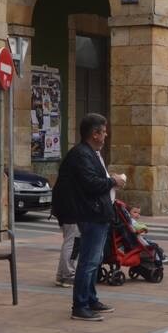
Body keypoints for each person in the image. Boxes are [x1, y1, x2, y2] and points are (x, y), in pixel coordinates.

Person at [51, 113, 126, 321]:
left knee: (95, 259)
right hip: (90, 214)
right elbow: (91, 184)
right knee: (89, 261)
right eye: (103, 132)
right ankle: (80, 305)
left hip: (97, 213)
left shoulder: (91, 153)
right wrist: (114, 181)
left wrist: (109, 180)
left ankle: (91, 299)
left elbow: (95, 179)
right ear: (94, 134)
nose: (106, 135)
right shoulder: (81, 154)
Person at [53, 219, 78, 287]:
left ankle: (61, 275)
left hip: (66, 217)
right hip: (73, 218)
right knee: (71, 244)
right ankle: (68, 276)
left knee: (68, 242)